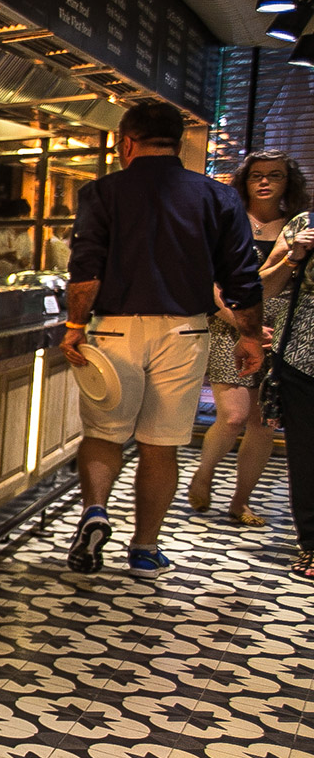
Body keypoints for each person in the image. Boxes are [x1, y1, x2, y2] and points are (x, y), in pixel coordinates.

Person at [61, 100, 264, 578]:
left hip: (114, 330)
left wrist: (74, 327)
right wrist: (250, 336)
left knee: (103, 433)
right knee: (160, 444)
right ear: (179, 143)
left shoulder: (102, 192)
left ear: (126, 143)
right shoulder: (218, 197)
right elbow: (241, 276)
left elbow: (85, 268)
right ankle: (145, 549)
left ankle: (95, 512)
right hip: (185, 331)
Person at [186, 150, 308, 525]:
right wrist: (243, 325)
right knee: (234, 416)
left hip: (281, 329)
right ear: (245, 181)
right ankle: (204, 473)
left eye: (275, 175)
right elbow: (211, 282)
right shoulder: (227, 221)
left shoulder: (297, 226)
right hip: (230, 323)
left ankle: (241, 501)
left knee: (263, 421)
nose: (265, 182)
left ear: (289, 182)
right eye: (257, 175)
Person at [256, 154, 314, 579]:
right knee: (306, 455)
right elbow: (261, 287)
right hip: (302, 357)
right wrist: (294, 256)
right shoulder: (303, 225)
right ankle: (311, 544)